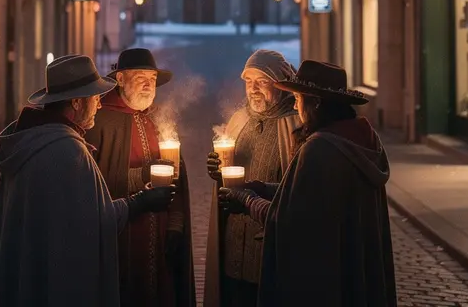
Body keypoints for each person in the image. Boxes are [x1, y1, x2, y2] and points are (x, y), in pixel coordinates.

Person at [0, 54, 176, 307]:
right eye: (95, 98)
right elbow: (96, 220)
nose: (100, 105)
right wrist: (139, 202)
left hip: (33, 271)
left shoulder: (32, 140)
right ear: (76, 103)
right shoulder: (67, 150)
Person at [225, 60, 397, 307]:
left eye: (298, 97)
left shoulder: (319, 149)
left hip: (325, 275)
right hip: (351, 262)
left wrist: (247, 200)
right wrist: (262, 188)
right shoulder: (359, 140)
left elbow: (288, 220)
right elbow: (308, 193)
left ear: (315, 103)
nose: (295, 104)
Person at [86, 48, 196, 307]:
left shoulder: (157, 118)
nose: (149, 85)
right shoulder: (100, 120)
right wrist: (143, 178)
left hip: (159, 229)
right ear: (120, 79)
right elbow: (93, 183)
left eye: (153, 79)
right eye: (140, 78)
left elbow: (176, 178)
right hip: (122, 231)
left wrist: (176, 222)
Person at [203, 49, 298, 307]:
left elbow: (297, 191)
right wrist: (216, 171)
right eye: (248, 82)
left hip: (269, 243)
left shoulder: (296, 125)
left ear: (281, 83)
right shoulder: (239, 120)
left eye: (262, 81)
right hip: (234, 243)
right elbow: (227, 171)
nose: (253, 89)